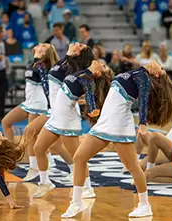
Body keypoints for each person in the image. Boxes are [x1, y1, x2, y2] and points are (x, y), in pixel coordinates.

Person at [62, 60, 172, 218]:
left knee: (133, 167)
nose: (158, 63)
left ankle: (144, 205)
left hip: (119, 124)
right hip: (105, 121)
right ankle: (77, 202)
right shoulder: (134, 72)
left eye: (161, 67)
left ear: (156, 73)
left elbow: (144, 101)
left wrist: (143, 124)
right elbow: (113, 97)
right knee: (79, 157)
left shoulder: (143, 77)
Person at [32, 52, 114, 199]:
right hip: (56, 116)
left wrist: (93, 108)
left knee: (78, 157)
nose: (102, 63)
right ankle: (45, 182)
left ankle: (88, 188)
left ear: (97, 73)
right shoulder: (83, 72)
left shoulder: (88, 79)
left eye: (104, 66)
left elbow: (89, 94)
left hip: (67, 120)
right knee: (38, 148)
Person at [22, 43, 95, 183]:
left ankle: (86, 185)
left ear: (79, 53)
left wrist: (87, 101)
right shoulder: (66, 62)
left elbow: (83, 85)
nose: (76, 43)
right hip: (55, 110)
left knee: (77, 155)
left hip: (65, 113)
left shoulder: (71, 67)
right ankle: (44, 181)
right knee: (38, 144)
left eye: (80, 45)